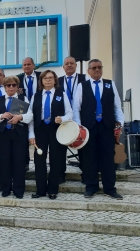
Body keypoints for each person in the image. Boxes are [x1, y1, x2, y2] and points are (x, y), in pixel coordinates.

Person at [73, 59, 124, 200]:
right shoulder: (82, 86)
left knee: (108, 158)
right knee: (90, 158)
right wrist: (79, 127)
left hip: (106, 127)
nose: (97, 70)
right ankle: (91, 187)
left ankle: (110, 188)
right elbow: (76, 108)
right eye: (94, 68)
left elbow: (117, 106)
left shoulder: (110, 84)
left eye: (99, 67)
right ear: (88, 71)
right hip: (88, 128)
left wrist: (120, 123)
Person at [28, 70, 72, 200]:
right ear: (41, 81)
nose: (48, 80)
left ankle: (53, 190)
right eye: (45, 78)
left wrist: (63, 119)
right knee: (39, 160)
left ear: (55, 80)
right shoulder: (35, 96)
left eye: (50, 78)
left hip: (56, 130)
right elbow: (31, 117)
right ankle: (40, 190)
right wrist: (31, 134)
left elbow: (70, 113)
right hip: (40, 129)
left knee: (56, 159)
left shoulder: (61, 94)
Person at [0, 76, 33, 199]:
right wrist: (1, 116)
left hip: (18, 134)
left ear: (17, 87)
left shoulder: (23, 98)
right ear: (4, 87)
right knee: (4, 162)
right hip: (4, 134)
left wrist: (19, 117)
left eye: (14, 85)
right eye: (8, 85)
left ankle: (19, 189)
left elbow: (30, 115)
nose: (11, 87)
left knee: (19, 162)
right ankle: (5, 189)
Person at [58, 56, 89, 184]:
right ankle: (60, 174)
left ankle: (85, 174)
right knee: (60, 147)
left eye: (72, 63)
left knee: (83, 146)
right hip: (63, 118)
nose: (69, 65)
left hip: (81, 116)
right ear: (63, 67)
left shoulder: (84, 79)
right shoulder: (58, 81)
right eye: (67, 64)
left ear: (76, 65)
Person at [17, 57, 41, 171]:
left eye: (29, 64)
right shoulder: (18, 78)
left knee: (40, 137)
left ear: (33, 65)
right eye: (25, 65)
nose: (27, 66)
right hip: (23, 111)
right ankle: (25, 164)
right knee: (23, 139)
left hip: (39, 109)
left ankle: (39, 163)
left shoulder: (41, 76)